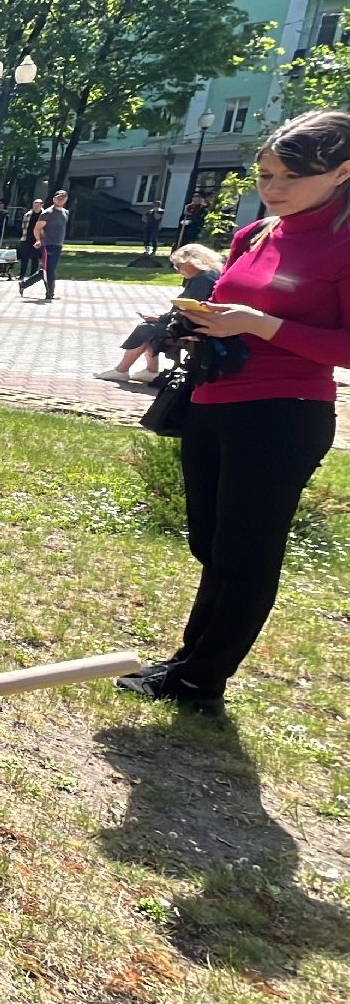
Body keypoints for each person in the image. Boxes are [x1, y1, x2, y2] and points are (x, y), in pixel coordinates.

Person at [117, 110, 350, 710]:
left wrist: (263, 325)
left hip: (283, 413)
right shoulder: (258, 233)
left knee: (246, 552)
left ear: (342, 172)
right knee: (211, 543)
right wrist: (195, 324)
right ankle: (188, 658)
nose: (270, 190)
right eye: (264, 175)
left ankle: (201, 679)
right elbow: (226, 305)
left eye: (287, 179)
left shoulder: (343, 241)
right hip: (214, 400)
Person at [94, 243, 223, 383]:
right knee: (151, 328)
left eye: (179, 266)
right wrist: (162, 318)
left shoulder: (202, 279)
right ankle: (150, 371)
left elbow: (190, 308)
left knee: (145, 328)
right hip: (200, 323)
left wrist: (161, 318)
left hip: (194, 327)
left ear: (192, 262)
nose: (178, 271)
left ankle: (122, 370)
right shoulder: (210, 275)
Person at [19, 189, 69, 300]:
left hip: (58, 245)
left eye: (63, 198)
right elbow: (37, 229)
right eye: (58, 197)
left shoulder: (65, 212)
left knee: (46, 270)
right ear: (54, 199)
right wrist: (39, 240)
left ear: (66, 199)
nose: (60, 200)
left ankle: (24, 284)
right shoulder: (47, 213)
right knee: (49, 270)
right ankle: (50, 293)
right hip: (48, 245)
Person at [16, 198, 44, 280]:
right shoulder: (28, 215)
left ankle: (33, 275)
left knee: (35, 258)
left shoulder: (44, 215)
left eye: (38, 205)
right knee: (24, 257)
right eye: (34, 205)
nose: (36, 207)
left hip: (38, 239)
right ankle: (22, 274)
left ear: (41, 205)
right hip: (27, 239)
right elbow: (23, 227)